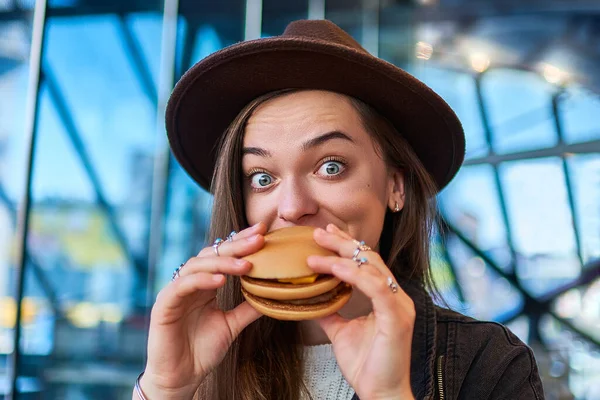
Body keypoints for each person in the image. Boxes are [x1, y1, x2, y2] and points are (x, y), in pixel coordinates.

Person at [133, 19, 545, 400]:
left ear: (395, 187)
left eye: (331, 167)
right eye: (262, 178)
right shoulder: (203, 358)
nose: (293, 208)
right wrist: (166, 388)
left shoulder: (489, 366)